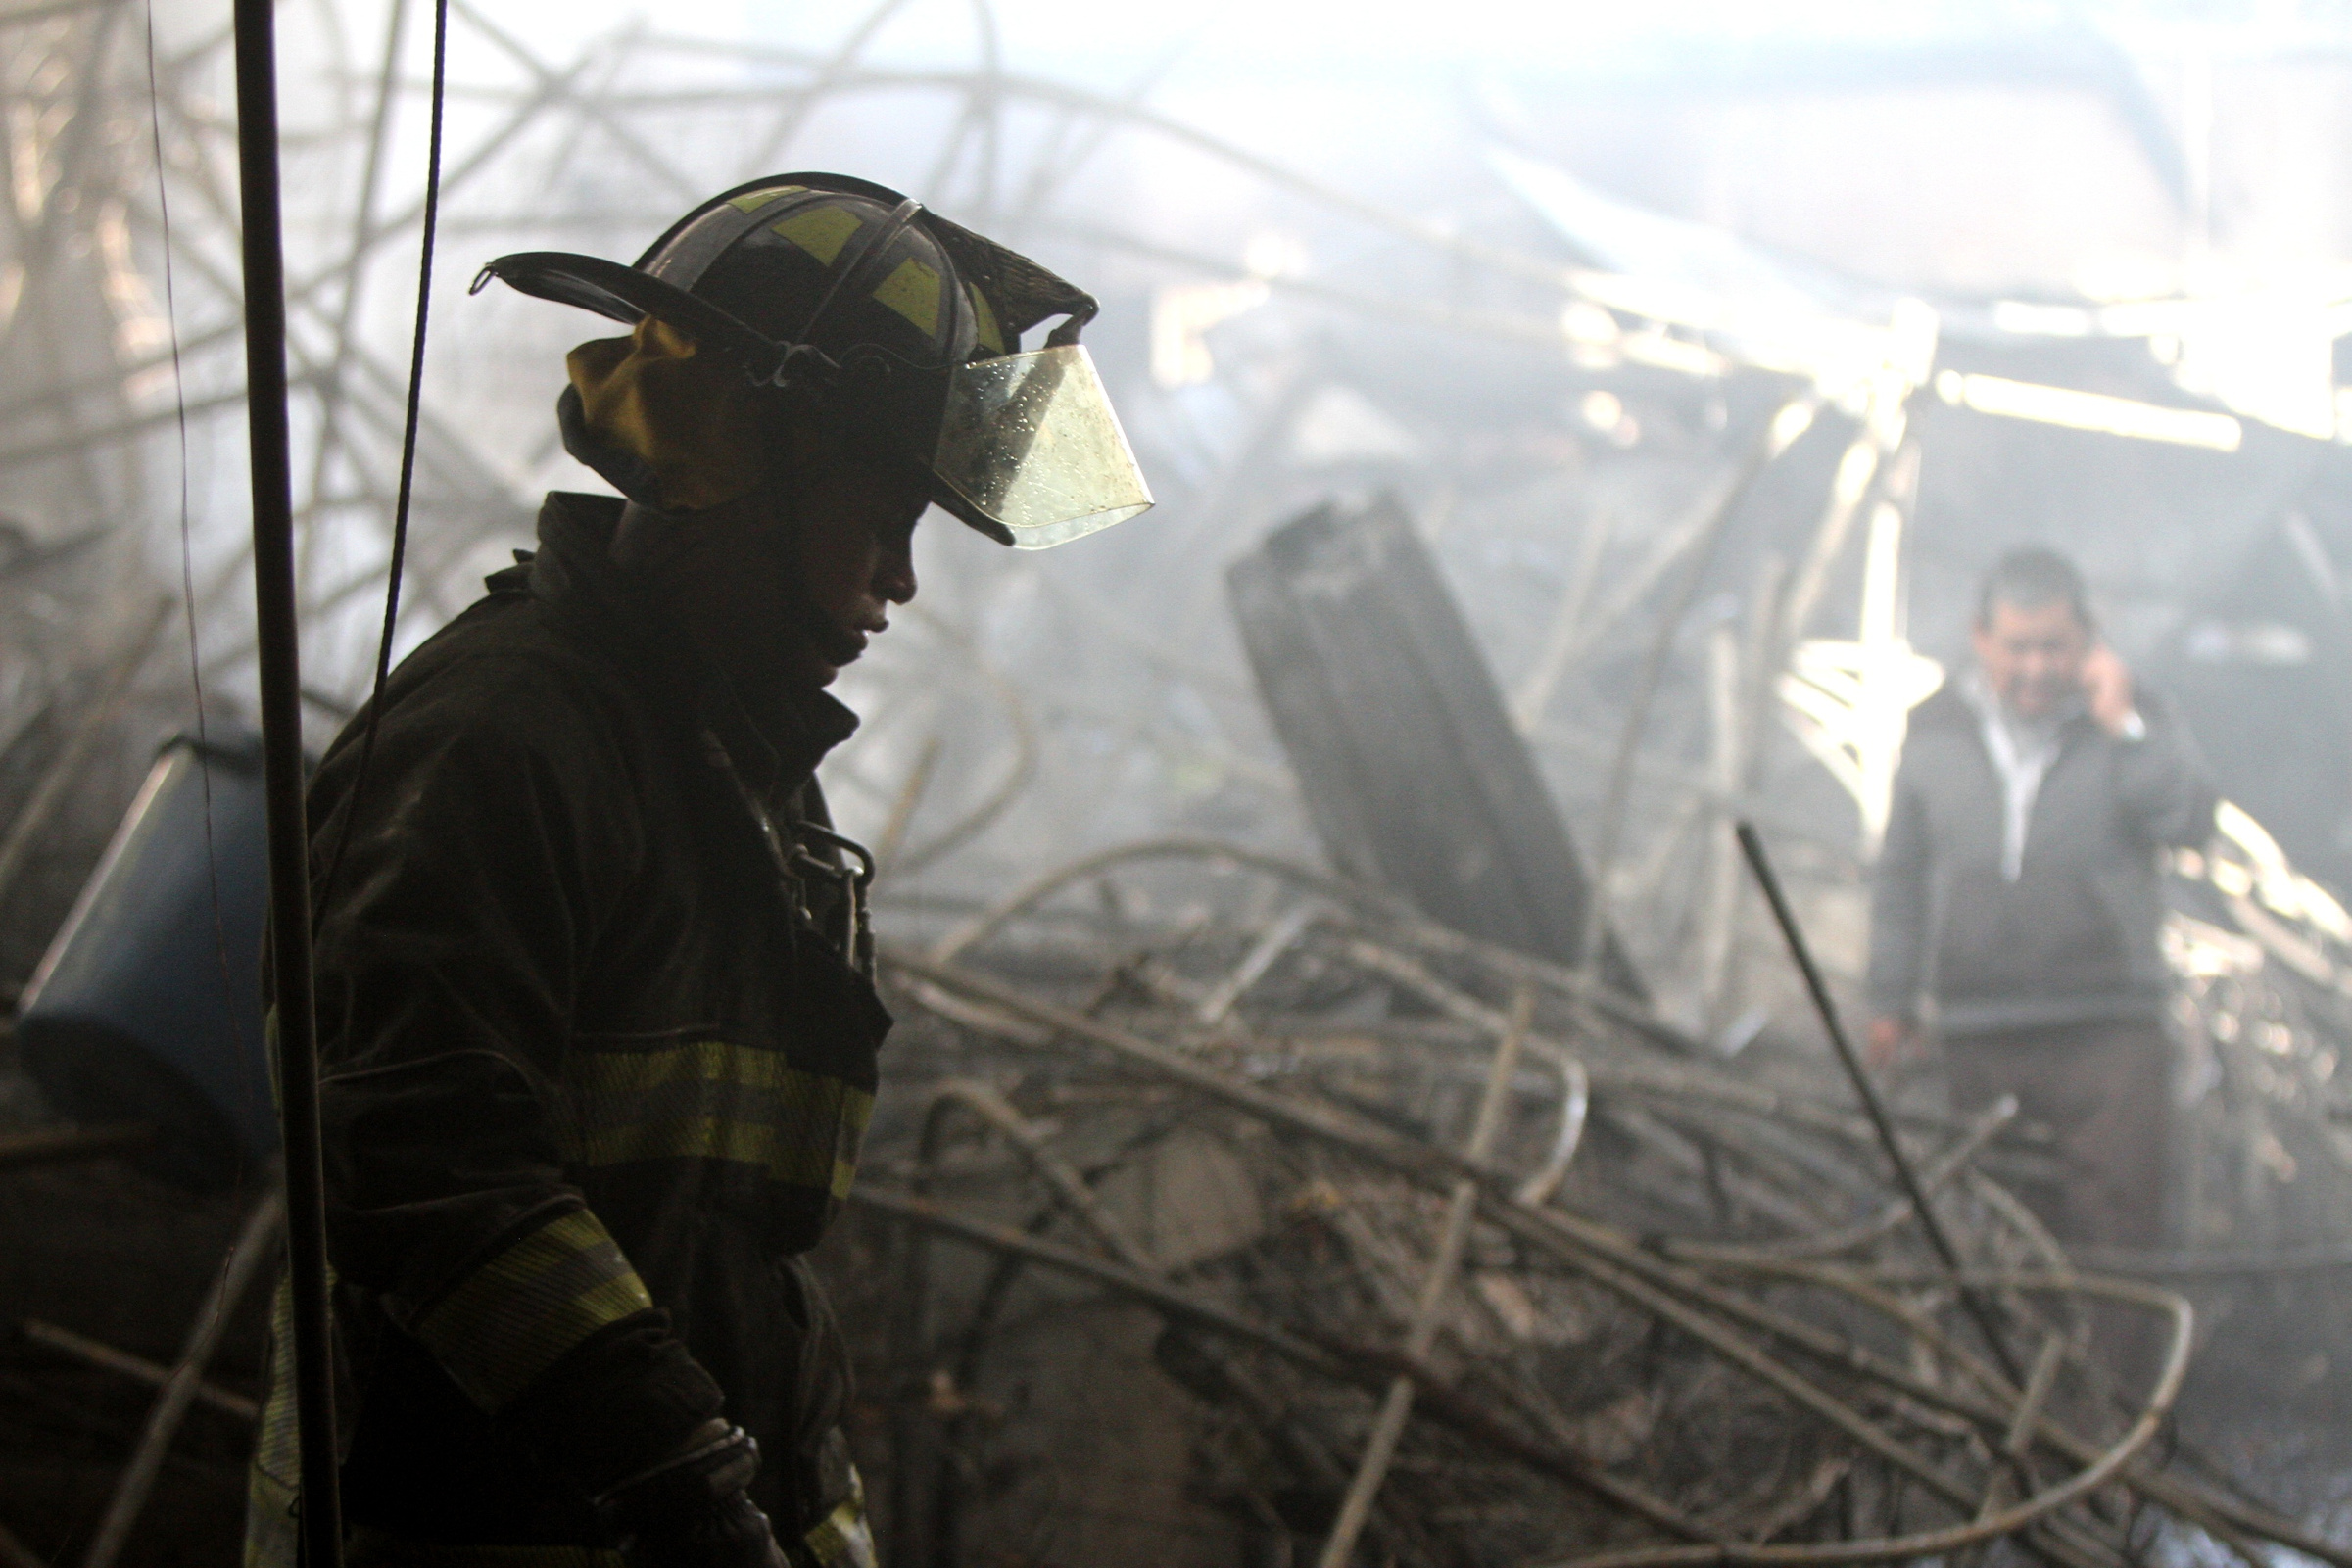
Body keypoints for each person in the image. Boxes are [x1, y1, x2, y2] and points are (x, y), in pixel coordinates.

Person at [244, 174, 1152, 1568]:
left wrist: (799, 1516)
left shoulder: (738, 781)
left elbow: (743, 1259)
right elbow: (426, 1165)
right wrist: (685, 1486)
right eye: (881, 520)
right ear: (749, 467)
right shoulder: (499, 747)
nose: (896, 585)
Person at [1866, 546, 2214, 1259]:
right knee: (1994, 1238)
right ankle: (2017, 1374)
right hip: (1975, 1030)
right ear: (1980, 638)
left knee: (2117, 1243)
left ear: (2087, 637)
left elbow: (2187, 823)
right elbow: (1899, 876)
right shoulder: (1934, 728)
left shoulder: (2135, 718)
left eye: (2053, 646)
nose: (2034, 667)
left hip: (2106, 1032)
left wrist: (2124, 727)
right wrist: (1887, 999)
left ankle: (2121, 1377)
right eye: (2016, 647)